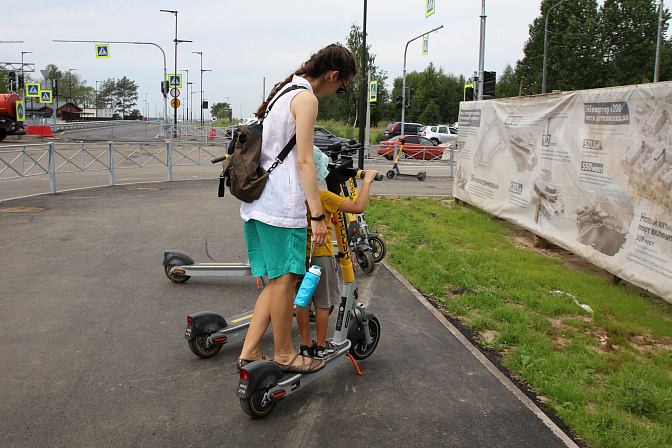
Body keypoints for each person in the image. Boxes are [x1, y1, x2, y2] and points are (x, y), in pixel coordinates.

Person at [235, 44, 357, 374]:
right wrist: (317, 215)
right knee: (286, 281)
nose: (337, 91)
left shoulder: (284, 89)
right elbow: (304, 161)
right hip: (281, 204)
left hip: (257, 200)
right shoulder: (306, 98)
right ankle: (285, 354)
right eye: (341, 86)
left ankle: (249, 352)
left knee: (277, 282)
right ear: (334, 75)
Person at [296, 148, 378, 359]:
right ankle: (322, 346)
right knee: (323, 303)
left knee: (302, 301)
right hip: (321, 257)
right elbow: (357, 207)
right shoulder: (324, 197)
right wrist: (367, 180)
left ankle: (306, 344)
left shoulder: (295, 198)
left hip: (297, 256)